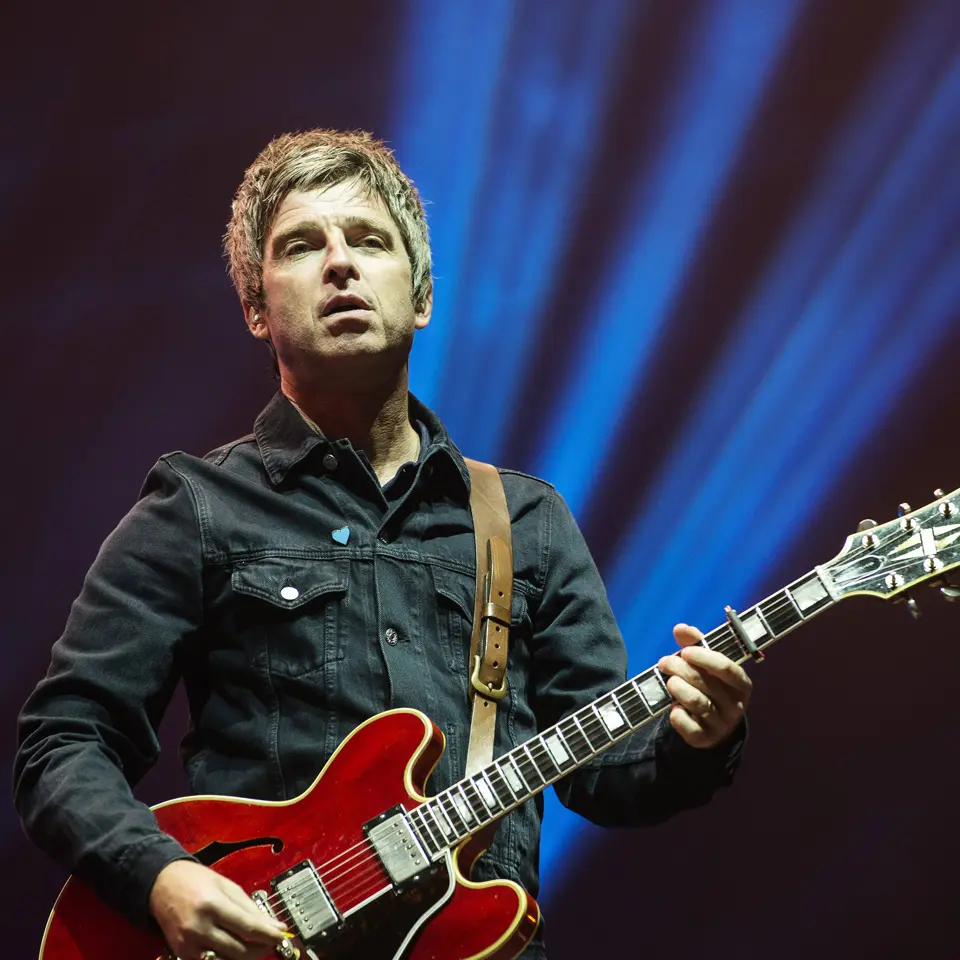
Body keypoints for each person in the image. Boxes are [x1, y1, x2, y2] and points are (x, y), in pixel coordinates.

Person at [14, 129, 752, 960]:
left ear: (421, 294)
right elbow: (62, 743)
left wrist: (699, 737)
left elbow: (605, 773)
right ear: (257, 307)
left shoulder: (524, 521)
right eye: (302, 245)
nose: (340, 264)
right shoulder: (198, 505)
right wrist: (160, 877)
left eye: (369, 240)